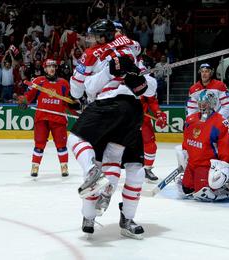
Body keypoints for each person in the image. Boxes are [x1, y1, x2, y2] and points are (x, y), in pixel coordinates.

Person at [67, 19, 148, 239]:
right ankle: (109, 207)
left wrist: (101, 75)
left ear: (104, 36)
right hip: (132, 111)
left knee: (74, 140)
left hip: (106, 106)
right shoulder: (131, 46)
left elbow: (78, 90)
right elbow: (143, 85)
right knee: (116, 157)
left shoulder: (93, 53)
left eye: (94, 36)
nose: (91, 40)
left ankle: (93, 177)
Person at [176, 90, 229, 202]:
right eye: (200, 101)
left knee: (202, 192)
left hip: (206, 165)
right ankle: (212, 182)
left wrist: (223, 167)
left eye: (206, 102)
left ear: (212, 103)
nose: (202, 104)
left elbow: (228, 146)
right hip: (192, 164)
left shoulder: (220, 123)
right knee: (186, 189)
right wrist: (185, 156)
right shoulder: (190, 119)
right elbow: (187, 140)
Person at [18, 59, 71, 178]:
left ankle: (64, 166)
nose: (51, 68)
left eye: (53, 66)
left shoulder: (64, 83)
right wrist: (24, 101)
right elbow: (28, 96)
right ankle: (35, 167)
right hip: (42, 118)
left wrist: (75, 105)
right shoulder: (38, 81)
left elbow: (68, 101)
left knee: (61, 144)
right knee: (39, 143)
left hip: (58, 119)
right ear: (44, 68)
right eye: (49, 66)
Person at [138, 57, 168, 182]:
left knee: (150, 145)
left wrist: (159, 114)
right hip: (125, 120)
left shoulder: (147, 83)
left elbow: (152, 101)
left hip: (142, 120)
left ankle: (147, 168)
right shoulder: (121, 82)